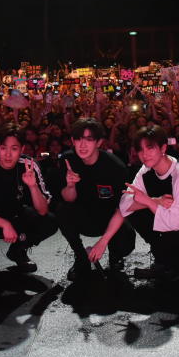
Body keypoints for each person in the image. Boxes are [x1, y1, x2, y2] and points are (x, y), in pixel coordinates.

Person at [91, 125, 179, 284]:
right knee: (135, 209)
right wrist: (103, 241)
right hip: (167, 223)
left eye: (150, 148)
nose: (144, 154)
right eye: (140, 149)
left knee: (145, 205)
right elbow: (123, 207)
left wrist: (149, 201)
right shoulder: (145, 170)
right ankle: (164, 261)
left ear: (163, 148)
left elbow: (177, 221)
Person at [0, 123, 57, 276]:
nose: (8, 154)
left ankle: (18, 250)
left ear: (22, 149)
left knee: (50, 221)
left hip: (16, 214)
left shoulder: (29, 165)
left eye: (14, 149)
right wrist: (4, 224)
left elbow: (42, 210)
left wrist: (33, 186)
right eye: (3, 148)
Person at [55, 118, 135, 280]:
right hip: (83, 216)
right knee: (62, 211)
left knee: (126, 240)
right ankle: (81, 258)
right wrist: (70, 185)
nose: (82, 145)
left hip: (109, 217)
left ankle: (115, 257)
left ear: (99, 142)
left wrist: (103, 242)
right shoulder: (67, 160)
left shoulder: (115, 167)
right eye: (78, 139)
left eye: (89, 139)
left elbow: (123, 208)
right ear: (72, 141)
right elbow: (67, 200)